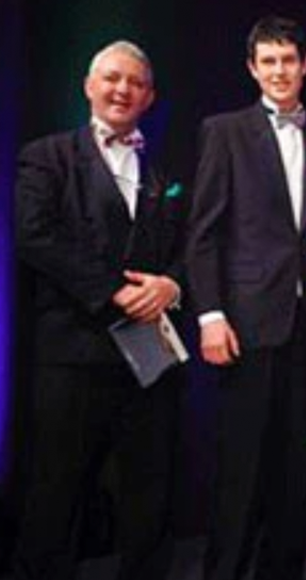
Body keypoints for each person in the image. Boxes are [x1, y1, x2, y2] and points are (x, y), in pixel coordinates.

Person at [14, 40, 184, 580]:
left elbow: (191, 243)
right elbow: (35, 237)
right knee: (57, 494)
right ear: (89, 86)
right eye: (112, 78)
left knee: (150, 497)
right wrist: (113, 290)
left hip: (151, 355)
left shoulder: (166, 164)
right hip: (74, 353)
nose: (122, 89)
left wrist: (171, 287)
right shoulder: (46, 155)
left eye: (135, 82)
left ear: (150, 96)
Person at [184, 15, 306, 580]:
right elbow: (203, 233)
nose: (279, 71)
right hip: (245, 325)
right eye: (268, 61)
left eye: (288, 60)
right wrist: (211, 315)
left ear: (305, 65)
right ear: (252, 68)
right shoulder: (224, 131)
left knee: (296, 474)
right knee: (240, 472)